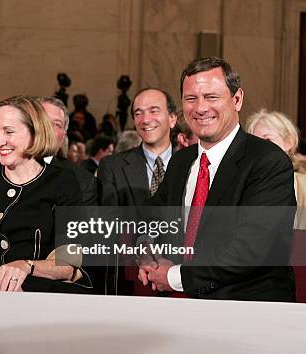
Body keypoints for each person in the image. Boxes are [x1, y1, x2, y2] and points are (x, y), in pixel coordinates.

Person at [139, 57, 296, 302]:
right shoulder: (181, 162)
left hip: (250, 310)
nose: (200, 108)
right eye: (191, 99)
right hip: (183, 308)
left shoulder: (268, 162)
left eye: (212, 97)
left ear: (237, 99)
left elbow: (249, 250)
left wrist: (173, 277)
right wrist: (147, 252)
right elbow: (151, 219)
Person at [0, 95, 89, 293]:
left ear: (35, 132)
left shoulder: (62, 181)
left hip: (40, 295)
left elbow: (70, 264)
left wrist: (27, 266)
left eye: (9, 132)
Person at [96, 88, 177, 295]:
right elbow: (109, 224)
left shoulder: (192, 163)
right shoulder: (112, 166)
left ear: (172, 118)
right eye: (138, 113)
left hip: (181, 276)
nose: (145, 119)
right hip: (131, 279)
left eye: (153, 110)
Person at [245, 109, 306, 229]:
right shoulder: (245, 182)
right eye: (255, 142)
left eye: (267, 140)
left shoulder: (303, 184)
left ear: (288, 142)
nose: (260, 148)